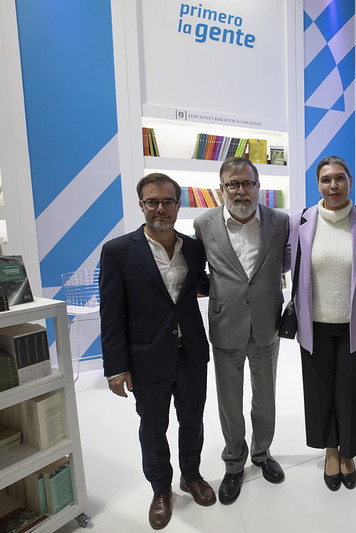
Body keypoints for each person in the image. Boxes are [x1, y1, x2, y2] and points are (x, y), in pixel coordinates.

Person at [99, 173, 216, 530]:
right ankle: (161, 489)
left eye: (168, 202)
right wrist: (116, 366)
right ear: (141, 205)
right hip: (146, 357)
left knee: (192, 420)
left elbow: (200, 286)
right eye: (153, 201)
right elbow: (111, 313)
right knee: (153, 427)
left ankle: (191, 476)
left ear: (178, 205)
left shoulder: (193, 248)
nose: (160, 208)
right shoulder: (119, 251)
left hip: (191, 352)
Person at [193, 156, 290, 505]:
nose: (240, 191)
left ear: (258, 186)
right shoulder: (203, 224)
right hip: (225, 325)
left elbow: (287, 262)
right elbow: (198, 272)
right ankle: (234, 462)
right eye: (232, 184)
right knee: (229, 402)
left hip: (267, 324)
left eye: (247, 183)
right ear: (221, 189)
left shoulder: (280, 221)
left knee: (266, 398)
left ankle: (262, 453)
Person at [289, 156, 356, 491]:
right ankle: (330, 450)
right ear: (318, 185)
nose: (333, 185)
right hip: (314, 324)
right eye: (326, 180)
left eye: (340, 178)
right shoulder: (301, 220)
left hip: (353, 325)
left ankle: (348, 452)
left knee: (351, 392)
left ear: (350, 181)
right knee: (320, 392)